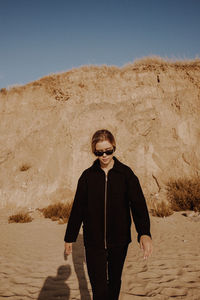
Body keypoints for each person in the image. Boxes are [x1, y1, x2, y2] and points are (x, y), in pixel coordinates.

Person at [64, 129, 152, 300]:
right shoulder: (87, 176)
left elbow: (138, 205)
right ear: (94, 151)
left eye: (108, 151)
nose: (104, 155)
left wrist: (144, 233)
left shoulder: (126, 174)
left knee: (114, 283)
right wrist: (70, 237)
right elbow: (78, 209)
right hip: (93, 242)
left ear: (114, 148)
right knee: (99, 289)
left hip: (119, 241)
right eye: (99, 152)